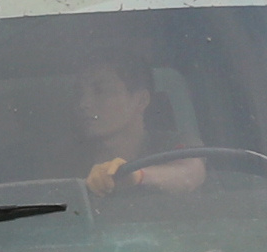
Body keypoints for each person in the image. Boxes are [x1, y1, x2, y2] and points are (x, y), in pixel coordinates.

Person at [73, 48, 205, 199]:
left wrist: (137, 175)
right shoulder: (66, 160)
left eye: (101, 90)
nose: (83, 103)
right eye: (79, 93)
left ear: (141, 100)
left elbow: (190, 174)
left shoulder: (173, 144)